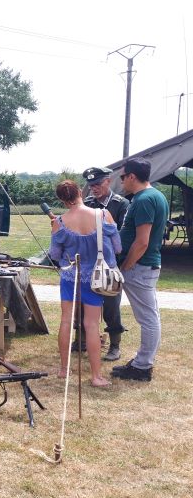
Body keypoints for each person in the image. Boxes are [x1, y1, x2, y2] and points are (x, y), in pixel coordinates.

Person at [48, 180, 121, 387]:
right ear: (81, 191)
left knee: (65, 321)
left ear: (61, 199)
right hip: (96, 279)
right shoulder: (103, 215)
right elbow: (117, 247)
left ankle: (64, 369)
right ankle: (96, 376)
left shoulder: (59, 222)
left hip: (70, 277)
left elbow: (54, 254)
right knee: (91, 325)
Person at [111, 157, 169, 382]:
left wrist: (126, 266)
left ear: (132, 176)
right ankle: (141, 362)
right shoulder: (153, 196)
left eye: (123, 176)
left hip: (140, 266)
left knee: (148, 318)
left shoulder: (145, 199)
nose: (122, 181)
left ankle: (143, 366)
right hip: (144, 266)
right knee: (149, 316)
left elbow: (142, 241)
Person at [74, 166, 131, 360]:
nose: (94, 188)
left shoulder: (121, 204)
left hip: (110, 264)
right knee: (82, 303)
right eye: (91, 185)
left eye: (98, 184)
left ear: (108, 181)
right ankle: (81, 339)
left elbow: (123, 237)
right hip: (87, 263)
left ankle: (114, 345)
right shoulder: (87, 203)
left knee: (110, 305)